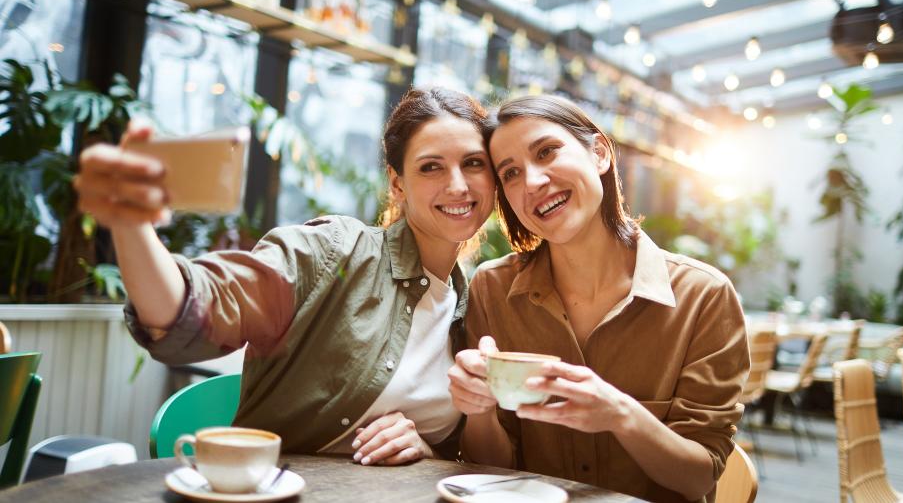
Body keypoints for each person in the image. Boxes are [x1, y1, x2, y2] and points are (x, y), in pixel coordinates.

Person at [75, 87, 496, 465]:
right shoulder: (335, 252)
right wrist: (130, 225)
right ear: (397, 183)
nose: (458, 185)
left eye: (473, 163)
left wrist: (424, 449)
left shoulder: (475, 303)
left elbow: (460, 451)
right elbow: (196, 305)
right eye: (431, 168)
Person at [447, 95, 749, 502]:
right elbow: (490, 470)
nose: (533, 182)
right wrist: (479, 408)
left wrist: (621, 415)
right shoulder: (492, 290)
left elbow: (698, 478)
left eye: (547, 152)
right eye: (511, 173)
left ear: (600, 153)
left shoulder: (703, 297)